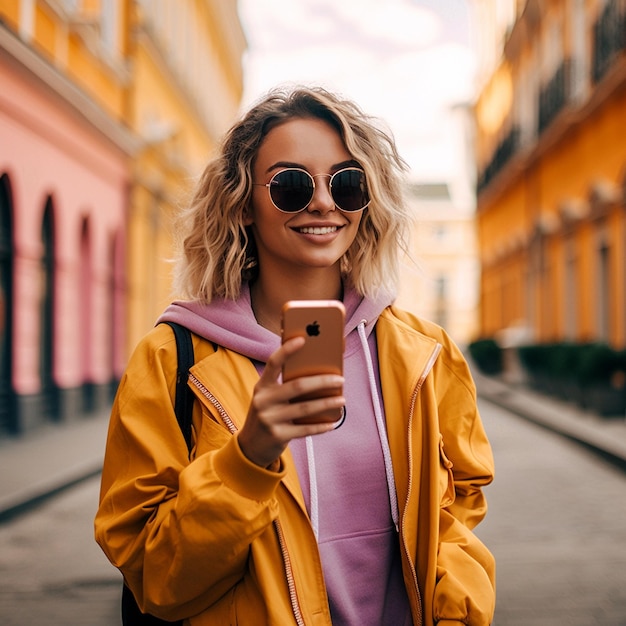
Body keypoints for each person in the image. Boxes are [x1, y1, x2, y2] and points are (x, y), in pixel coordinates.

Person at [95, 86, 495, 626]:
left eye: (347, 183)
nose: (325, 202)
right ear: (242, 202)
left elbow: (452, 517)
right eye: (291, 185)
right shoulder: (171, 361)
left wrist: (457, 611)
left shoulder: (424, 355)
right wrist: (248, 457)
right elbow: (156, 577)